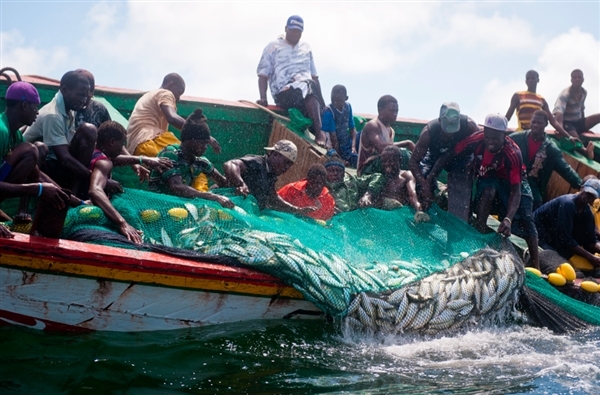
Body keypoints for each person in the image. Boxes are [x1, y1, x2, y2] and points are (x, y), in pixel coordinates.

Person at [432, 113, 540, 269]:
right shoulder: (477, 139)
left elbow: (515, 191)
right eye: (487, 136)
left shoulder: (513, 154)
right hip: (490, 177)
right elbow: (450, 154)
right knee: (487, 192)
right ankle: (479, 239)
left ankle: (536, 265)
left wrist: (508, 219)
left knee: (527, 217)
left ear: (504, 135)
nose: (490, 141)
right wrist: (432, 176)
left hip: (513, 182)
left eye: (495, 138)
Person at [23, 70, 114, 198]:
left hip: (57, 162)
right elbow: (64, 158)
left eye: (86, 96)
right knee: (87, 131)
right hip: (37, 168)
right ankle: (70, 198)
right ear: (65, 90)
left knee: (89, 131)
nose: (84, 100)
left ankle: (73, 193)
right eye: (80, 95)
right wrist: (98, 179)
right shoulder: (53, 115)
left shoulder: (70, 109)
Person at [1, 82, 69, 234]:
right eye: (35, 107)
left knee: (33, 150)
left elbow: (36, 172)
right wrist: (36, 189)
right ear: (24, 105)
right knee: (31, 150)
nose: (37, 112)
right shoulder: (1, 131)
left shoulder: (15, 135)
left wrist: (71, 199)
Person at [88, 121, 171, 244]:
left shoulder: (92, 151)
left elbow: (114, 159)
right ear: (112, 142)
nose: (123, 147)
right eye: (123, 143)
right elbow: (95, 191)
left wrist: (143, 159)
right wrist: (123, 223)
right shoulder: (104, 162)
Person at [256, 15, 327, 147]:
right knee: (308, 85)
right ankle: (319, 132)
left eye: (298, 32)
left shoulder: (306, 47)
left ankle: (334, 148)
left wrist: (323, 105)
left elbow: (315, 78)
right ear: (286, 29)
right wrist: (263, 98)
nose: (295, 34)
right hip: (284, 93)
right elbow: (262, 75)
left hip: (307, 92)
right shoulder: (273, 46)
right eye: (292, 30)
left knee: (315, 94)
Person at [148, 108, 234, 208]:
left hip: (180, 210)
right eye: (202, 143)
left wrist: (238, 187)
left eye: (207, 143)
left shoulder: (201, 162)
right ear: (189, 140)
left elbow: (224, 183)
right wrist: (213, 197)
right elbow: (176, 187)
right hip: (157, 208)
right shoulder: (170, 153)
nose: (205, 147)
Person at [409, 102, 479, 221]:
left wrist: (475, 161)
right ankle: (424, 212)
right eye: (446, 130)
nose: (450, 134)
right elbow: (413, 162)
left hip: (461, 158)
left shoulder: (470, 126)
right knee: (423, 178)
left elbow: (481, 144)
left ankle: (461, 220)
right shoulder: (428, 133)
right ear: (440, 121)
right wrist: (424, 182)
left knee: (462, 179)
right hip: (435, 155)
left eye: (453, 130)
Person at [126, 73, 220, 157]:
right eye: (179, 92)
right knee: (191, 164)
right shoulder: (165, 93)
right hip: (150, 139)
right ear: (171, 84)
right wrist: (203, 134)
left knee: (172, 172)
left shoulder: (148, 96)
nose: (178, 99)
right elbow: (172, 118)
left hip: (136, 148)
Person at [506, 70, 591, 159]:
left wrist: (569, 136)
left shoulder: (541, 99)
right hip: (523, 135)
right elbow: (507, 117)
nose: (530, 80)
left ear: (538, 80)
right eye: (528, 79)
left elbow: (553, 121)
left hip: (537, 137)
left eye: (533, 78)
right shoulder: (518, 96)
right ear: (525, 81)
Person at [509, 110, 582, 210]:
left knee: (536, 209)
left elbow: (565, 169)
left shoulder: (551, 149)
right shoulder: (516, 138)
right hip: (512, 182)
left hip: (533, 188)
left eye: (539, 123)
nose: (535, 125)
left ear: (546, 124)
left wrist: (581, 184)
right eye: (533, 122)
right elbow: (500, 146)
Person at [223, 139, 316, 215]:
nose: (287, 168)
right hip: (225, 205)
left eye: (290, 165)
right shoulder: (258, 163)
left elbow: (273, 198)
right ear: (275, 154)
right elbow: (231, 164)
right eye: (286, 163)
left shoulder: (271, 175)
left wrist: (297, 210)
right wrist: (241, 184)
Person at [533, 178, 600, 278]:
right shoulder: (567, 203)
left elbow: (590, 241)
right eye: (587, 193)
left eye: (592, 196)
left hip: (554, 237)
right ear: (582, 189)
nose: (588, 197)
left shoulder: (587, 213)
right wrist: (590, 257)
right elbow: (565, 238)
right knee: (556, 260)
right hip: (539, 233)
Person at [358, 146, 427, 220]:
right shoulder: (380, 177)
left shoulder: (406, 176)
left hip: (399, 215)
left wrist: (418, 210)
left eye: (391, 161)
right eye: (384, 161)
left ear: (399, 160)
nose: (387, 164)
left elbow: (412, 194)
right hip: (381, 215)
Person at [356, 95, 414, 176]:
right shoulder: (373, 125)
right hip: (366, 170)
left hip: (383, 165)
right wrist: (406, 143)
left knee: (410, 156)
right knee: (403, 154)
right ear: (380, 110)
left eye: (396, 111)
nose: (395, 114)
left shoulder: (391, 130)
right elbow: (382, 148)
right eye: (392, 111)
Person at [553, 69, 600, 152]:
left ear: (583, 79)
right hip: (568, 124)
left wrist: (585, 127)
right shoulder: (565, 94)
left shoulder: (584, 92)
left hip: (578, 122)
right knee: (576, 140)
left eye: (579, 77)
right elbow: (559, 113)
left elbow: (581, 109)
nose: (577, 79)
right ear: (571, 80)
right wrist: (559, 129)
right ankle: (585, 151)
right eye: (575, 78)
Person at [322, 85, 358, 168]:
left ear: (346, 98)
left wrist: (353, 146)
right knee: (356, 159)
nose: (335, 103)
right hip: (335, 146)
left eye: (338, 101)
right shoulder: (328, 111)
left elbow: (352, 128)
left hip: (347, 142)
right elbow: (333, 137)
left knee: (364, 135)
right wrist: (340, 158)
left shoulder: (348, 107)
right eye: (333, 100)